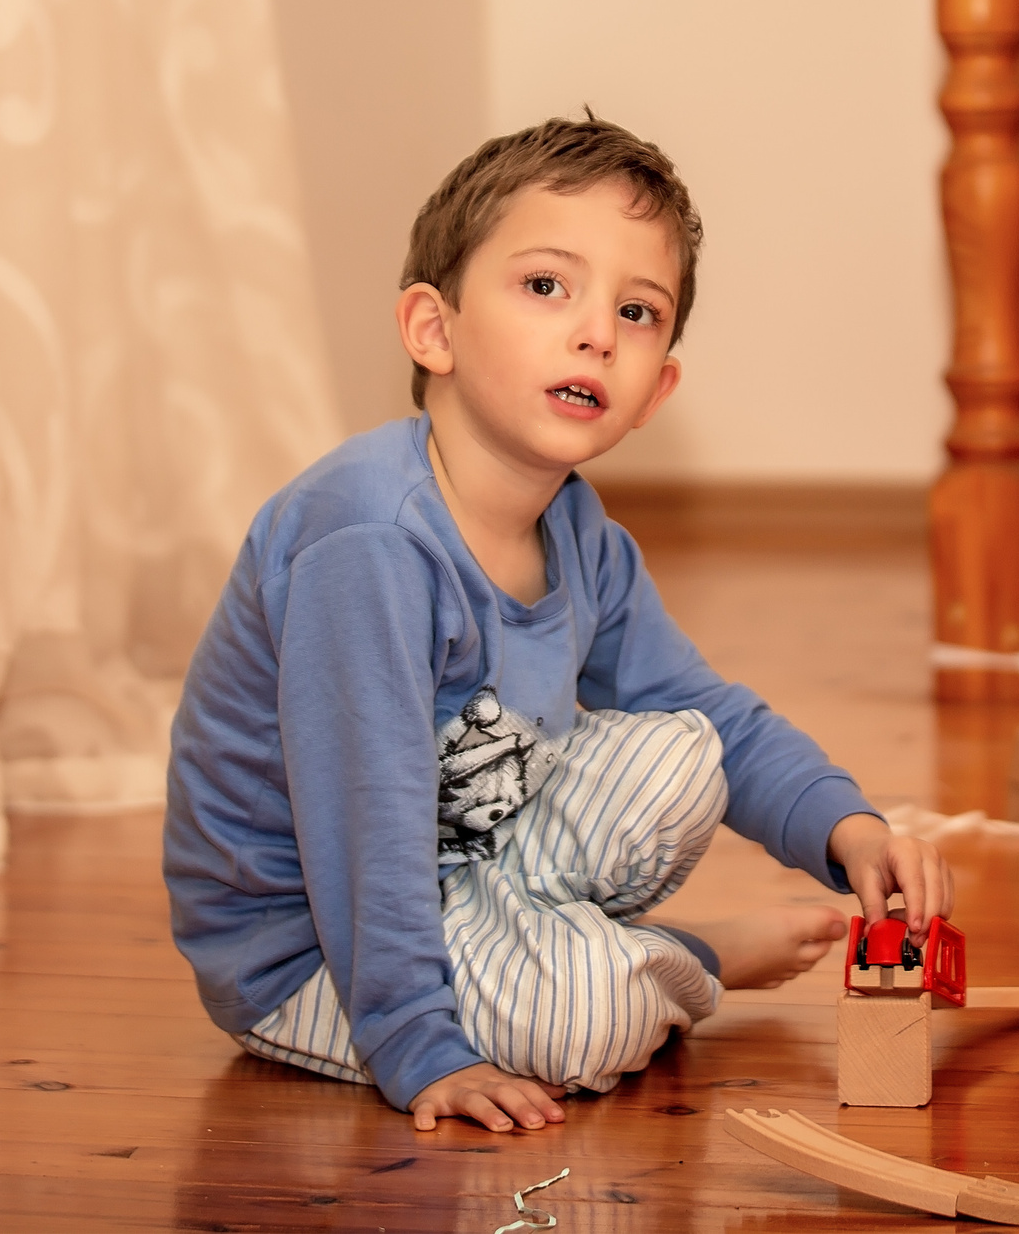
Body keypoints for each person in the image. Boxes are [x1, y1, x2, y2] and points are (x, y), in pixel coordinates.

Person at [163, 116, 953, 1135]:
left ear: (654, 389)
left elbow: (708, 711)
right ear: (432, 329)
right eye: (547, 286)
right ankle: (688, 961)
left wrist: (850, 828)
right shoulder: (366, 538)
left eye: (637, 311)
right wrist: (420, 1050)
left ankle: (565, 943)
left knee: (686, 757)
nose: (596, 333)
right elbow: (364, 822)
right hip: (312, 946)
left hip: (467, 866)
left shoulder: (579, 531)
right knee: (587, 1022)